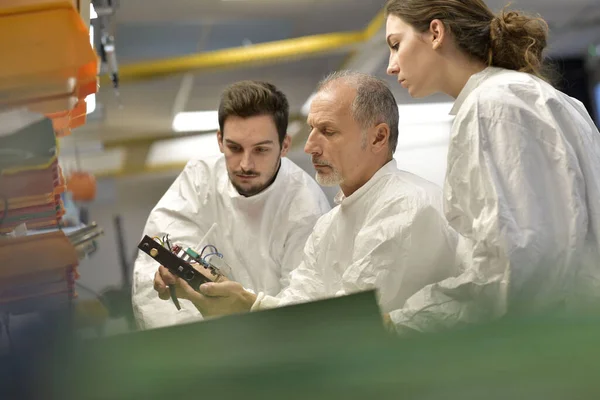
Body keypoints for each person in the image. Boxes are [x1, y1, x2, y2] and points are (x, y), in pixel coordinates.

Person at [153, 71, 460, 323]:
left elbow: (345, 323)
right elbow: (299, 306)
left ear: (378, 137)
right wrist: (230, 298)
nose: (311, 146)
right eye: (312, 129)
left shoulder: (404, 206)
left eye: (328, 131)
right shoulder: (330, 226)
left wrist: (247, 306)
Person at [383, 0, 600, 333]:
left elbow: (511, 273)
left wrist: (402, 323)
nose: (391, 66)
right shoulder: (533, 95)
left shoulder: (490, 107)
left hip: (552, 338)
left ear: (436, 32)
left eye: (396, 45)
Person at [132, 80, 331, 330]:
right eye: (234, 148)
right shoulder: (198, 181)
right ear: (219, 141)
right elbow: (152, 276)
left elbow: (307, 309)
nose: (246, 164)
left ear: (285, 146)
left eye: (260, 150)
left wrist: (247, 315)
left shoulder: (306, 206)